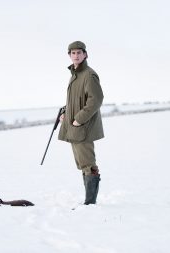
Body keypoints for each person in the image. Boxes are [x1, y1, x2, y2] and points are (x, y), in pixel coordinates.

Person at [58, 41, 104, 205]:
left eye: (79, 52)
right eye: (73, 53)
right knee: (82, 164)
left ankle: (90, 203)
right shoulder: (75, 75)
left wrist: (79, 119)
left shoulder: (89, 75)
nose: (76, 55)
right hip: (74, 127)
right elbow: (74, 101)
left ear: (85, 54)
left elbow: (95, 100)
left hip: (83, 127)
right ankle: (88, 200)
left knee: (88, 164)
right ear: (69, 55)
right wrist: (65, 113)